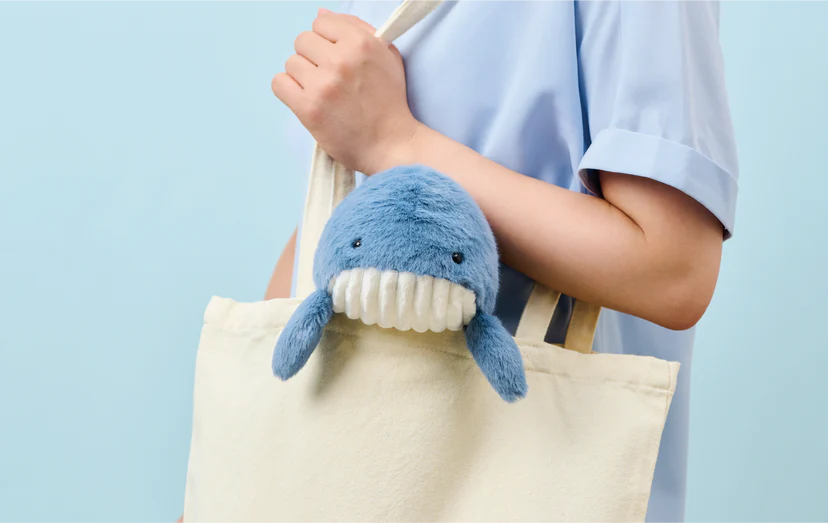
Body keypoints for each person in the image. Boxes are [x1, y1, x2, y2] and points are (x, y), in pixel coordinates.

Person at [255, 1, 737, 522]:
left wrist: (397, 143)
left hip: (521, 471)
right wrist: (239, 467)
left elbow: (671, 269)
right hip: (333, 472)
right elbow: (338, 220)